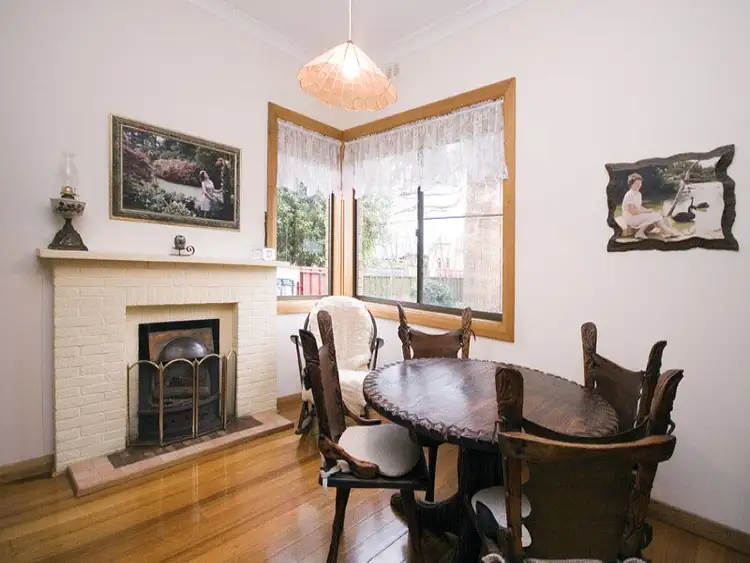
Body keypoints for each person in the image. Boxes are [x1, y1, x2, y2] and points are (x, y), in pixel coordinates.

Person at [621, 173, 681, 239]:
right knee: (654, 216)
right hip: (630, 218)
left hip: (636, 216)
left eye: (640, 183)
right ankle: (641, 233)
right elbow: (631, 211)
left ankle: (666, 231)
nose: (639, 185)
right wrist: (646, 212)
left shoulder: (638, 194)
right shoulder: (629, 195)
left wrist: (648, 210)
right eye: (637, 184)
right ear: (631, 184)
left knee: (656, 214)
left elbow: (639, 207)